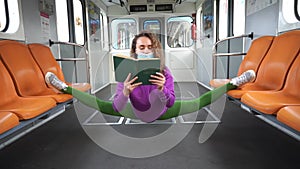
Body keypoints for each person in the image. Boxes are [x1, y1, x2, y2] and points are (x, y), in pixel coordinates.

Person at [112, 31, 175, 122]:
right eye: (142, 47)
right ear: (135, 50)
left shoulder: (164, 72)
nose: (146, 51)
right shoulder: (126, 73)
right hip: (139, 113)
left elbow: (171, 103)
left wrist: (162, 88)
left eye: (150, 47)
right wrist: (125, 92)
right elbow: (116, 108)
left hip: (160, 112)